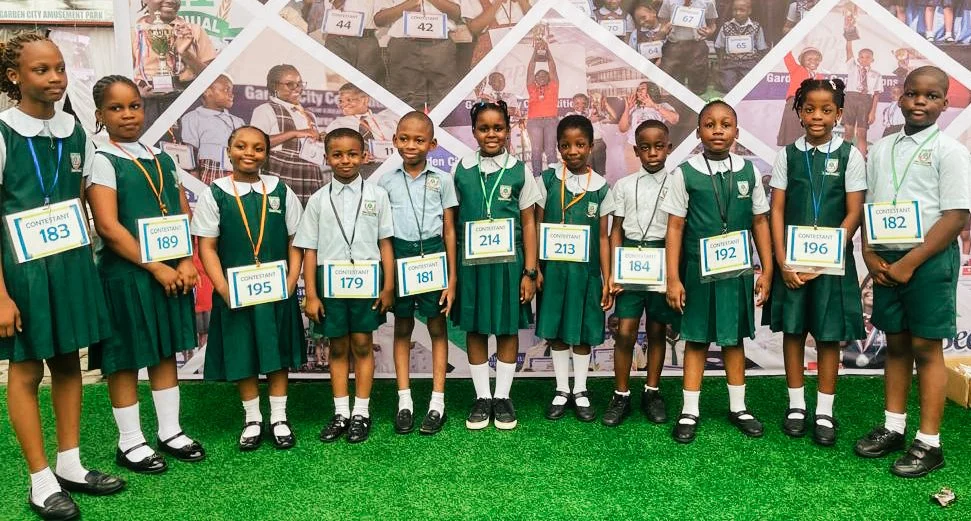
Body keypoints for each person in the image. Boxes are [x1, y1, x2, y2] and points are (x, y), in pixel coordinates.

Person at [0, 33, 124, 521]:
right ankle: (39, 481)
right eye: (40, 70)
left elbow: (84, 198)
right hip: (23, 271)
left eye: (58, 69)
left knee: (69, 362)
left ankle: (70, 464)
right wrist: (1, 295)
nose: (54, 78)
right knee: (29, 370)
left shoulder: (76, 132)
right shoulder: (3, 132)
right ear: (14, 77)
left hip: (69, 263)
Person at [86, 75, 206, 475]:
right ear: (101, 115)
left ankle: (170, 431)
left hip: (169, 272)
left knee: (163, 349)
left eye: (133, 105)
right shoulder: (101, 159)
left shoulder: (161, 157)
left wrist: (186, 260)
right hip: (127, 274)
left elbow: (180, 211)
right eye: (116, 108)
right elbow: (109, 227)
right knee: (124, 358)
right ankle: (130, 442)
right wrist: (155, 266)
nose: (127, 115)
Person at [855, 66, 971, 478]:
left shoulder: (951, 151)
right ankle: (894, 427)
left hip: (927, 261)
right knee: (897, 345)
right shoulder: (883, 148)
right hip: (887, 262)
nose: (921, 101)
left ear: (944, 102)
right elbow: (873, 205)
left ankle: (929, 443)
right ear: (900, 98)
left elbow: (956, 217)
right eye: (913, 94)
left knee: (926, 349)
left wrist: (910, 263)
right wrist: (869, 252)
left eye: (931, 95)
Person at [661, 100, 773, 444]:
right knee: (696, 339)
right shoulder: (685, 172)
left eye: (725, 124)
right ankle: (690, 410)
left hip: (736, 271)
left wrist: (767, 269)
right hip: (697, 271)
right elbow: (676, 227)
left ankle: (738, 407)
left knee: (733, 339)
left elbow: (759, 222)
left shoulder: (749, 172)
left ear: (736, 132)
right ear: (699, 133)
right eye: (710, 124)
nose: (718, 130)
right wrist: (673, 277)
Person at [763, 78, 866, 446]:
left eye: (826, 110)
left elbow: (854, 213)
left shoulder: (850, 155)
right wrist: (782, 261)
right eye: (809, 109)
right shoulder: (787, 154)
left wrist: (824, 258)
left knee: (827, 335)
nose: (817, 116)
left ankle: (824, 409)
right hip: (791, 263)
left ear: (839, 114)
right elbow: (776, 209)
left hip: (831, 264)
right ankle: (796, 406)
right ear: (799, 112)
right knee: (793, 331)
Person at [192, 126, 306, 452]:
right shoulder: (214, 193)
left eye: (258, 148)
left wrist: (290, 280)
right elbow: (208, 248)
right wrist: (224, 289)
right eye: (241, 146)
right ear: (228, 150)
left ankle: (280, 418)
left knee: (277, 353)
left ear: (266, 154)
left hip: (275, 291)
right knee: (243, 351)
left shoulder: (280, 191)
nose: (249, 153)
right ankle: (253, 418)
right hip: (236, 293)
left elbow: (296, 240)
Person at [300, 128, 395, 444]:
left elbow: (385, 244)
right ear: (326, 158)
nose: (345, 160)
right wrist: (311, 293)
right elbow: (309, 250)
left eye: (352, 153)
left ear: (365, 156)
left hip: (368, 282)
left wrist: (388, 287)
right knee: (337, 346)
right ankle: (341, 412)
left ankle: (361, 412)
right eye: (337, 154)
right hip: (330, 283)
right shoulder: (316, 200)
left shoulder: (377, 196)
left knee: (363, 344)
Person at [451, 100, 541, 430]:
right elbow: (451, 222)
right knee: (475, 328)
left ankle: (502, 396)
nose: (492, 134)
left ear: (508, 130)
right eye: (484, 128)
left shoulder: (519, 171)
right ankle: (482, 397)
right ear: (474, 131)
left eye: (498, 128)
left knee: (506, 329)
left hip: (508, 266)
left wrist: (530, 271)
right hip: (471, 266)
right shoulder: (461, 169)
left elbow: (529, 223)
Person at [377, 112, 458, 435]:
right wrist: (387, 279)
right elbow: (382, 234)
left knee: (438, 328)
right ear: (395, 140)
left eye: (419, 140)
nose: (411, 145)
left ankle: (437, 402)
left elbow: (451, 229)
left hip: (434, 255)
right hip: (399, 256)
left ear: (433, 144)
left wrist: (451, 278)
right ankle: (405, 402)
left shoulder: (443, 180)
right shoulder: (386, 181)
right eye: (404, 138)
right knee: (402, 329)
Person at [535, 115, 615, 422]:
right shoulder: (548, 180)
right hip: (554, 271)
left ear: (591, 146)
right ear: (557, 147)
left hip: (587, 274)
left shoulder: (601, 187)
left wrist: (607, 277)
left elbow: (605, 238)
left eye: (580, 145)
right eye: (566, 145)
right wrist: (536, 268)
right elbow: (538, 223)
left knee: (582, 332)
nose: (573, 151)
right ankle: (561, 388)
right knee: (556, 331)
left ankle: (580, 389)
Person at [603, 119, 680, 427]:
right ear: (635, 150)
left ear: (669, 148)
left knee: (658, 330)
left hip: (663, 257)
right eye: (645, 147)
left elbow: (679, 230)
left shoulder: (677, 183)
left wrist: (675, 274)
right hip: (630, 259)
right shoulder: (623, 185)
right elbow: (615, 231)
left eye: (659, 146)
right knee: (625, 330)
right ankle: (620, 394)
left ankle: (652, 391)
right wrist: (612, 273)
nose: (652, 153)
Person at [250, 64, 324, 205]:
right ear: (274, 86)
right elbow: (256, 143)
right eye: (290, 84)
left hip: (309, 173)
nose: (297, 88)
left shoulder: (309, 115)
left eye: (299, 83)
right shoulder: (266, 109)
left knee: (308, 220)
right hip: (282, 172)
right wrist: (294, 133)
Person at [374, 0, 462, 111]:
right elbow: (379, 20)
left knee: (446, 99)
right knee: (405, 100)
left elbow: (456, 14)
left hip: (440, 47)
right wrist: (408, 5)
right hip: (404, 46)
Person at [324, 83, 398, 179]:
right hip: (357, 174)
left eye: (349, 100)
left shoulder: (387, 120)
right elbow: (330, 155)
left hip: (390, 172)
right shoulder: (337, 125)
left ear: (365, 100)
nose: (343, 104)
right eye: (340, 101)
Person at [180, 73, 243, 185]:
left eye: (231, 91)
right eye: (226, 90)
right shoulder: (193, 118)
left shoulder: (238, 121)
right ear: (207, 91)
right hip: (209, 172)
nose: (231, 94)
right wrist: (195, 184)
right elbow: (190, 155)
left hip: (236, 172)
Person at [304, 0, 387, 85]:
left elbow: (382, 16)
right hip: (334, 38)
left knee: (367, 86)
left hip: (365, 40)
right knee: (336, 84)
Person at [658, 0, 718, 95]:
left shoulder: (708, 1)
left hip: (697, 46)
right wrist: (664, 29)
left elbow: (712, 24)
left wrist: (709, 31)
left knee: (698, 87)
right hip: (674, 46)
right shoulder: (668, 1)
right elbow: (662, 22)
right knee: (674, 87)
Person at [713, 0, 768, 93]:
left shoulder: (756, 27)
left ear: (749, 11)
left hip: (749, 62)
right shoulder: (726, 27)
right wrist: (723, 61)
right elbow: (719, 46)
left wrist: (756, 63)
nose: (738, 13)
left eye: (742, 10)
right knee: (727, 86)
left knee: (751, 86)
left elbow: (761, 48)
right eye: (735, 10)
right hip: (730, 62)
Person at [462, 0, 533, 66]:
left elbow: (538, 25)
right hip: (490, 61)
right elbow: (475, 29)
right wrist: (498, 2)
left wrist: (522, 2)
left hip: (521, 60)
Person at [525, 40, 560, 176]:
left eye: (544, 75)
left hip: (551, 121)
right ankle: (537, 177)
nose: (541, 77)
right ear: (534, 78)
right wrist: (535, 51)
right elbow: (530, 69)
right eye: (538, 75)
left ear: (549, 78)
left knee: (551, 150)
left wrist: (547, 50)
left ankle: (552, 177)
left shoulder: (553, 87)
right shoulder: (532, 88)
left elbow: (552, 67)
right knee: (536, 150)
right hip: (534, 122)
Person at [843, 40, 883, 156]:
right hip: (850, 99)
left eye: (867, 57)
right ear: (858, 59)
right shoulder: (852, 68)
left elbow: (876, 95)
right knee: (848, 132)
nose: (864, 59)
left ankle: (861, 159)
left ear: (872, 60)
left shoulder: (877, 75)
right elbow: (849, 52)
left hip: (866, 101)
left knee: (862, 133)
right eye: (861, 57)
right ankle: (845, 157)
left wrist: (872, 112)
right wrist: (849, 39)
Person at [777, 47, 822, 146]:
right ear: (802, 60)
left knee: (806, 138)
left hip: (810, 108)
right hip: (795, 104)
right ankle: (790, 159)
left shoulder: (819, 77)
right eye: (809, 59)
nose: (813, 61)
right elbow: (786, 54)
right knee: (792, 137)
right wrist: (790, 37)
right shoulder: (796, 69)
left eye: (816, 59)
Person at [564, 93, 607, 177]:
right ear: (572, 104)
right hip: (583, 146)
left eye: (583, 103)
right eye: (577, 103)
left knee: (600, 172)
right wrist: (589, 120)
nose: (580, 105)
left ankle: (600, 188)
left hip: (598, 143)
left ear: (587, 103)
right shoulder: (570, 115)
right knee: (587, 172)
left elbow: (606, 116)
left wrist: (599, 106)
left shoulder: (592, 111)